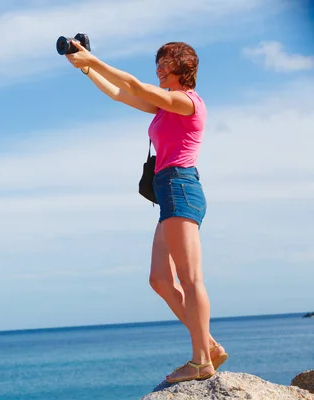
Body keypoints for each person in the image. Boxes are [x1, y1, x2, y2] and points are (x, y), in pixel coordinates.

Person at [65, 40, 228, 383]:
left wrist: (95, 57)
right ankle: (208, 343)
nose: (158, 68)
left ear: (183, 67)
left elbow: (136, 86)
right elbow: (120, 94)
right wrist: (87, 68)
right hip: (169, 191)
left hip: (181, 187)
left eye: (165, 63)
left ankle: (201, 361)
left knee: (190, 278)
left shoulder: (186, 103)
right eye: (158, 62)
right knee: (159, 279)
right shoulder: (165, 108)